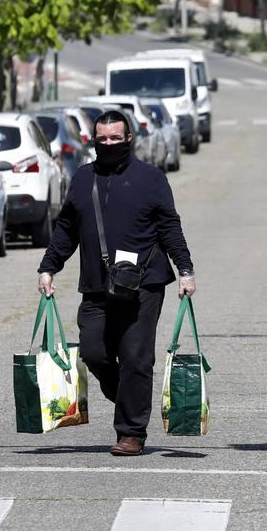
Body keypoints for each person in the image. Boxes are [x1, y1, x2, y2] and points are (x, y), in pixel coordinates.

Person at [37, 110, 196, 456]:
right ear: (94, 140)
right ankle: (126, 394)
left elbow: (170, 226)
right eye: (102, 139)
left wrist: (185, 270)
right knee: (93, 350)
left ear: (128, 139)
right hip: (96, 284)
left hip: (145, 284)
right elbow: (66, 229)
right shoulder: (82, 180)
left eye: (115, 138)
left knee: (136, 357)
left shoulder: (151, 179)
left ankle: (131, 433)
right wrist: (48, 267)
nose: (108, 144)